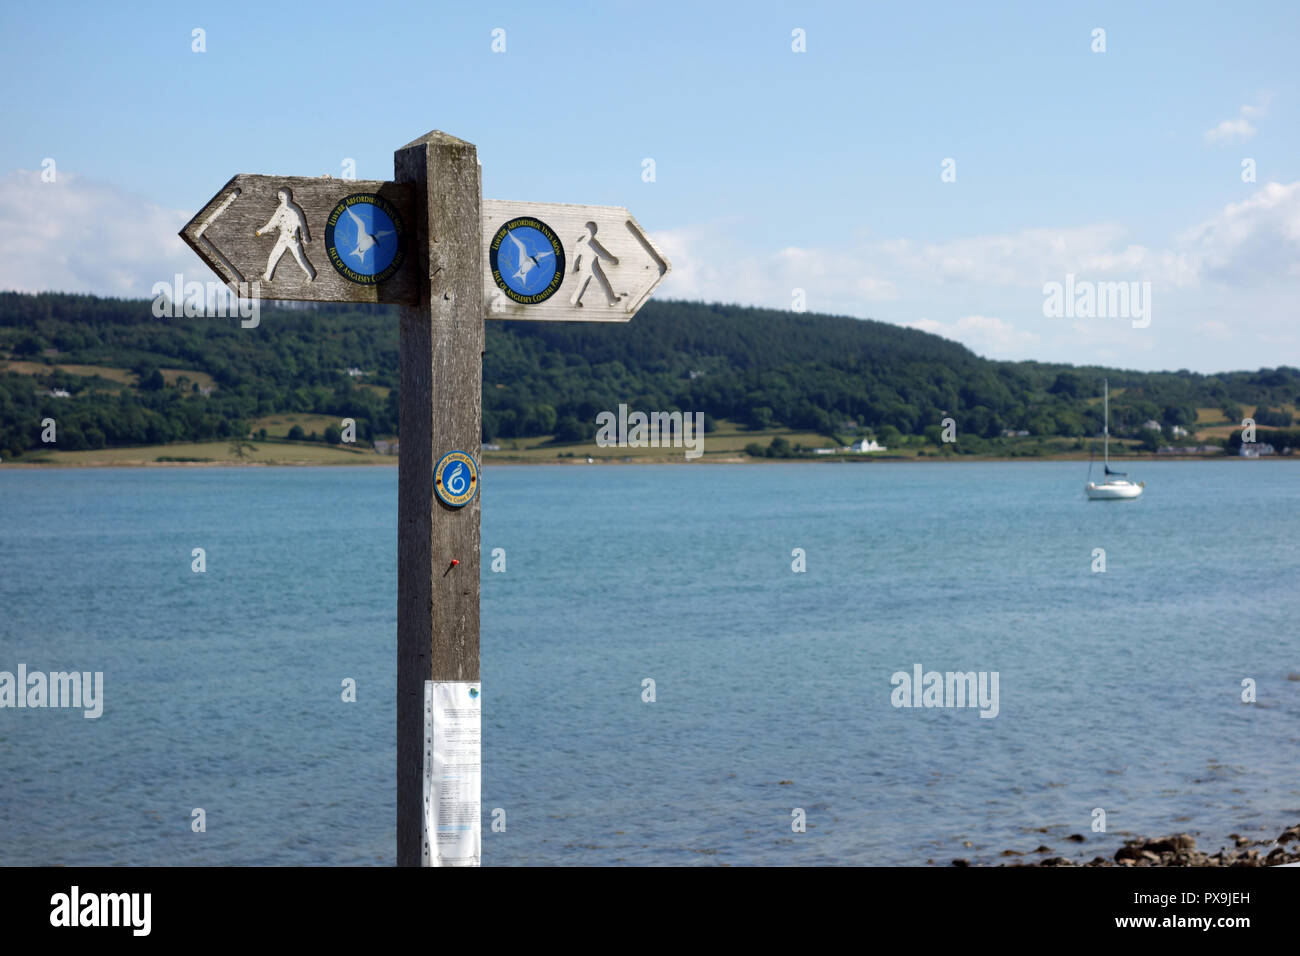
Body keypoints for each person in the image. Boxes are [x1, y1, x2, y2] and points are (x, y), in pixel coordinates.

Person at [256, 188, 316, 282]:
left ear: (288, 196)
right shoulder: (280, 209)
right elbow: (272, 223)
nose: (280, 197)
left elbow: (302, 223)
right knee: (274, 255)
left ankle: (311, 274)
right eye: (279, 195)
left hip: (293, 238)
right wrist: (261, 231)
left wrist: (305, 236)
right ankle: (267, 276)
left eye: (282, 195)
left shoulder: (295, 209)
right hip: (283, 237)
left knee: (299, 257)